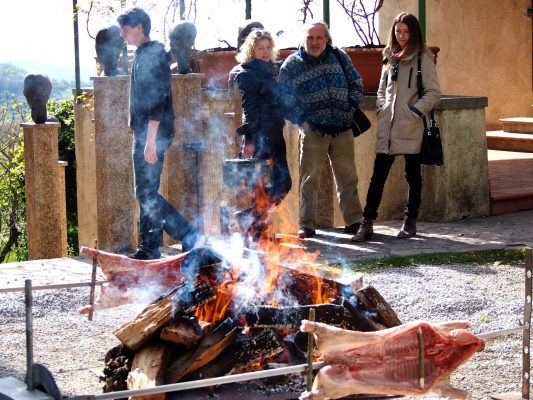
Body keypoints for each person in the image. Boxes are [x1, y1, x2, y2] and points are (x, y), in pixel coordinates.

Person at [118, 8, 201, 259]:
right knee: (147, 192)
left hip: (152, 133)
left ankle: (188, 234)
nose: (122, 33)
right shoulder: (145, 53)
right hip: (148, 133)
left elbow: (158, 100)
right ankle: (150, 246)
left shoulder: (151, 55)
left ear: (140, 26)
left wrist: (150, 140)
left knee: (144, 193)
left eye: (126, 28)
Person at [351, 12, 441, 242]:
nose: (401, 36)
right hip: (388, 126)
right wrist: (382, 107)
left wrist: (414, 112)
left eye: (406, 31)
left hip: (411, 125)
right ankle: (367, 222)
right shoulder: (389, 56)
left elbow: (433, 92)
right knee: (377, 176)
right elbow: (382, 89)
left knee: (413, 175)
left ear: (414, 32)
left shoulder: (423, 57)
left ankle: (410, 222)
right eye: (397, 31)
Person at [279, 21, 364, 239]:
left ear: (326, 39)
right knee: (310, 179)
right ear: (303, 39)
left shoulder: (340, 56)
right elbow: (283, 98)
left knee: (348, 177)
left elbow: (356, 82)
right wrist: (302, 120)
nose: (314, 42)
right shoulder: (292, 64)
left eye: (319, 37)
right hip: (313, 130)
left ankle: (354, 221)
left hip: (342, 128)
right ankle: (307, 224)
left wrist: (351, 105)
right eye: (310, 37)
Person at [233, 29, 292, 241]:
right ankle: (250, 220)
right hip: (261, 134)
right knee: (281, 183)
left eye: (268, 47)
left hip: (275, 131)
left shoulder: (271, 70)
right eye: (260, 48)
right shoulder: (247, 73)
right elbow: (249, 108)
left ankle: (253, 225)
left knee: (270, 186)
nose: (265, 51)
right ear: (252, 50)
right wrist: (249, 140)